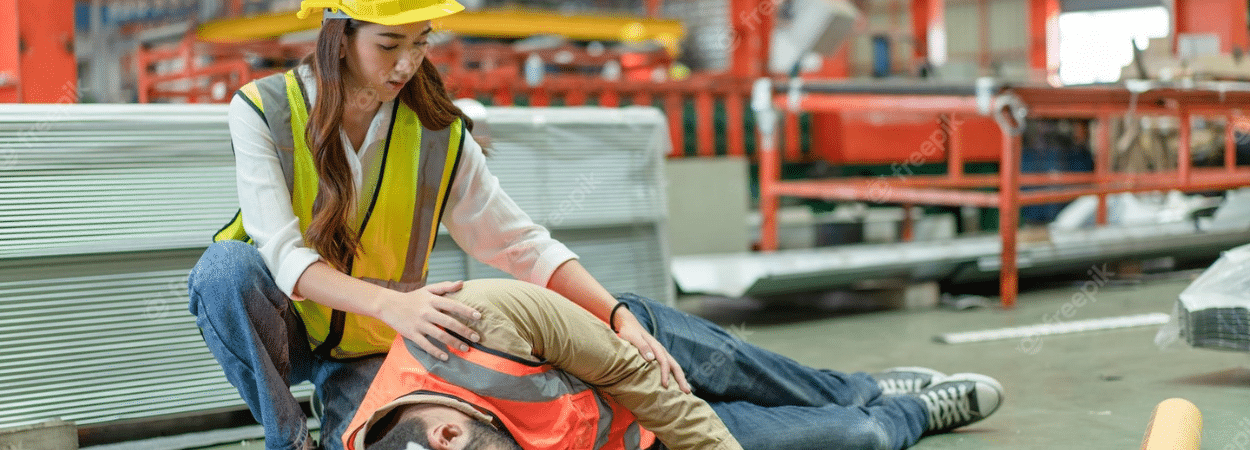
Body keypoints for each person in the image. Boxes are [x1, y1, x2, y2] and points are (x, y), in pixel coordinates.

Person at [186, 2, 688, 449]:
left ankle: (336, 412)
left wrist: (617, 315)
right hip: (283, 324)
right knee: (224, 272)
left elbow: (521, 245)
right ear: (340, 39)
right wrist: (394, 304)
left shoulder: (437, 134)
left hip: (372, 344)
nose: (408, 63)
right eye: (389, 44)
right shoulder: (263, 110)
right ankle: (290, 439)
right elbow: (283, 257)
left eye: (421, 42)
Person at [344, 279, 1006, 450]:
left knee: (785, 384)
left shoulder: (478, 323)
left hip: (646, 358)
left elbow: (634, 377)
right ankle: (913, 410)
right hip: (641, 438)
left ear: (449, 433)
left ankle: (863, 387)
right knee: (858, 437)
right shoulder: (406, 442)